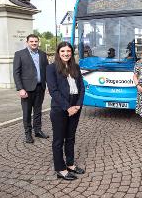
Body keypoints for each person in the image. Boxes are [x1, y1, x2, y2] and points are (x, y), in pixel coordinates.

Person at [46, 41, 85, 181]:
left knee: (70, 138)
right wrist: (68, 107)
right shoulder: (51, 68)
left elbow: (82, 88)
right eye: (63, 51)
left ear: (71, 52)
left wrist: (78, 105)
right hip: (60, 109)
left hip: (76, 108)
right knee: (58, 140)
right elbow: (53, 91)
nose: (66, 53)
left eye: (68, 51)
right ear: (58, 53)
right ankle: (60, 169)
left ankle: (70, 164)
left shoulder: (76, 67)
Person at [13, 34, 49, 143]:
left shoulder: (43, 54)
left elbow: (46, 71)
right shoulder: (19, 54)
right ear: (27, 42)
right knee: (27, 112)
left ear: (39, 42)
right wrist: (20, 88)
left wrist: (48, 85)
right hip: (27, 89)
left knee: (38, 111)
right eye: (32, 41)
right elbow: (16, 73)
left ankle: (37, 131)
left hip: (40, 88)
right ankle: (28, 134)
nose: (34, 43)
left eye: (36, 41)